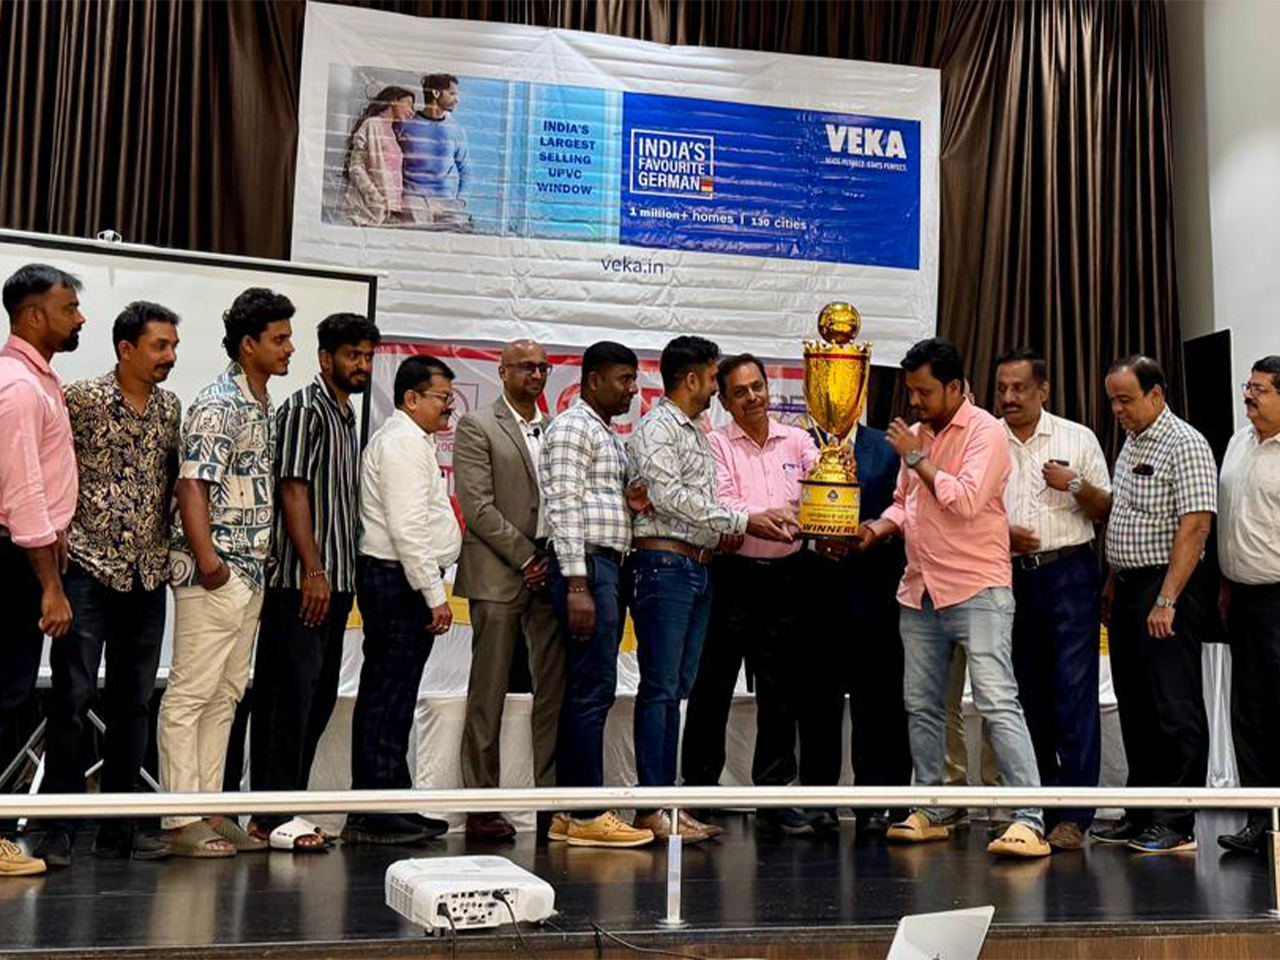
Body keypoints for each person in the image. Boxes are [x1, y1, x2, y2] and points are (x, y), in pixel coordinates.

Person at [856, 337, 1049, 859]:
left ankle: (1029, 817)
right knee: (921, 705)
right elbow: (904, 504)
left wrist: (916, 457)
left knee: (996, 701)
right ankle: (934, 805)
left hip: (977, 588)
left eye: (924, 392)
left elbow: (963, 500)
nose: (915, 401)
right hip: (919, 591)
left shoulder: (986, 432)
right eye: (911, 391)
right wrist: (876, 528)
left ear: (956, 387)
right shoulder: (918, 436)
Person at [627, 335, 795, 842]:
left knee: (676, 689)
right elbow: (669, 497)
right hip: (665, 564)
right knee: (660, 689)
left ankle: (669, 803)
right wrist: (745, 520)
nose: (717, 388)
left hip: (698, 565)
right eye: (713, 377)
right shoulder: (659, 427)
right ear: (692, 378)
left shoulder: (695, 429)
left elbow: (693, 498)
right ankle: (652, 806)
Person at [34, 303, 181, 869]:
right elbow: (50, 472)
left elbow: (169, 483)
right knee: (72, 699)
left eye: (173, 346)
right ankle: (59, 827)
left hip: (147, 574)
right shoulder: (82, 400)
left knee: (134, 703)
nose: (170, 356)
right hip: (87, 570)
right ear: (126, 348)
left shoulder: (170, 408)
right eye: (160, 345)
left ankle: (122, 827)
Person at [158, 288, 295, 858]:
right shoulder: (219, 402)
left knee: (226, 695)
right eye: (279, 339)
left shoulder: (259, 402)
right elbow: (193, 485)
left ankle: (212, 810)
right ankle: (179, 819)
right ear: (248, 344)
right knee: (190, 694)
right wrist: (210, 563)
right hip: (214, 574)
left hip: (248, 572)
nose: (290, 348)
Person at [248, 313, 379, 852]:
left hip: (337, 580)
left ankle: (285, 810)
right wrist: (314, 570)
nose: (362, 365)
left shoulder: (346, 414)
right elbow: (293, 490)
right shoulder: (305, 408)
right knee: (288, 701)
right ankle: (270, 815)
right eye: (352, 355)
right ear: (326, 358)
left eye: (367, 356)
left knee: (317, 700)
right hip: (302, 582)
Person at [679, 354, 817, 836]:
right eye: (740, 391)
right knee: (712, 687)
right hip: (731, 576)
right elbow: (723, 502)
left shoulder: (798, 439)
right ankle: (699, 795)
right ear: (723, 399)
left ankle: (775, 797)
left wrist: (796, 511)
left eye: (757, 386)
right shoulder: (714, 443)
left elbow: (818, 491)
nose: (753, 397)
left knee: (781, 691)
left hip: (788, 577)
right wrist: (769, 515)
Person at [1091, 355, 1217, 853]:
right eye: (1112, 401)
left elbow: (1196, 526)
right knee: (1137, 705)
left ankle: (1178, 820)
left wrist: (1167, 599)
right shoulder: (1133, 440)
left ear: (1157, 394)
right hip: (1128, 587)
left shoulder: (1185, 443)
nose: (1118, 410)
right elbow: (1126, 516)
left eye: (1126, 400)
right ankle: (1142, 810)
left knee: (1174, 704)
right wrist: (1112, 582)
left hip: (1168, 588)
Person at [996, 347, 1111, 851]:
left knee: (1074, 693)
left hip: (1069, 573)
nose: (1009, 397)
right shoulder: (987, 440)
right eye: (1002, 388)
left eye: (1019, 388)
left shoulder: (1075, 437)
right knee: (1028, 696)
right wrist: (1001, 533)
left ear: (1043, 390)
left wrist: (1076, 484)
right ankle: (1036, 811)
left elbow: (1105, 507)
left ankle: (1075, 817)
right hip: (1009, 577)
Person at [540, 342, 653, 848]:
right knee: (592, 689)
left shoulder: (602, 431)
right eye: (624, 379)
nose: (632, 390)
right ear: (593, 381)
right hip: (586, 567)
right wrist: (578, 582)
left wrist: (627, 502)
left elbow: (590, 499)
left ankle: (569, 813)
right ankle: (587, 813)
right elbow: (563, 506)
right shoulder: (573, 427)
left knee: (589, 688)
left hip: (603, 565)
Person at [345, 356, 461, 845]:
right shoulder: (401, 444)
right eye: (442, 399)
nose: (449, 409)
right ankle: (373, 810)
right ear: (411, 399)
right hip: (399, 581)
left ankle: (390, 798)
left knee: (395, 696)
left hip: (401, 579)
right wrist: (434, 594)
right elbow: (408, 530)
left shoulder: (413, 441)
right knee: (386, 695)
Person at [454, 340, 565, 839]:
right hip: (500, 571)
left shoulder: (557, 428)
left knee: (553, 693)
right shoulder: (477, 425)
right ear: (501, 371)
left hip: (551, 569)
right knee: (488, 692)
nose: (536, 375)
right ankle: (481, 804)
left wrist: (550, 559)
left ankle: (551, 802)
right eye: (526, 367)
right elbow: (477, 507)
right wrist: (526, 557)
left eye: (543, 367)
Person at [0, 264, 85, 878]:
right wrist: (50, 586)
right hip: (14, 561)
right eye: (68, 308)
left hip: (24, 556)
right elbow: (24, 493)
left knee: (11, 696)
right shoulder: (19, 388)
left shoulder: (38, 379)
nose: (80, 318)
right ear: (34, 316)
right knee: (4, 698)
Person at [800, 420, 910, 835]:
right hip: (814, 595)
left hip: (876, 593)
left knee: (878, 704)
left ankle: (875, 804)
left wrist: (876, 532)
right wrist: (813, 541)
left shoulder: (886, 446)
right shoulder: (797, 443)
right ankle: (818, 803)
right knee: (816, 704)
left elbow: (905, 508)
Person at [1217, 357, 1280, 855]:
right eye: (1248, 386)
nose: (1248, 396)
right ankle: (1260, 823)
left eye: (1259, 389)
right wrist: (1226, 582)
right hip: (1241, 598)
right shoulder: (1238, 442)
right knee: (1249, 714)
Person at [396, 72, 470, 224]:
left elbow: (466, 170)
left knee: (458, 228)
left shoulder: (456, 130)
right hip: (413, 198)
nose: (457, 100)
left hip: (446, 201)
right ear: (436, 93)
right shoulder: (404, 125)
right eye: (452, 94)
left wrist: (461, 201)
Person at [342, 85, 417, 226]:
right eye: (409, 104)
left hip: (387, 213)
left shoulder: (392, 133)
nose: (412, 111)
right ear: (393, 101)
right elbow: (356, 167)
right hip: (367, 211)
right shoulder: (372, 124)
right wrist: (376, 199)